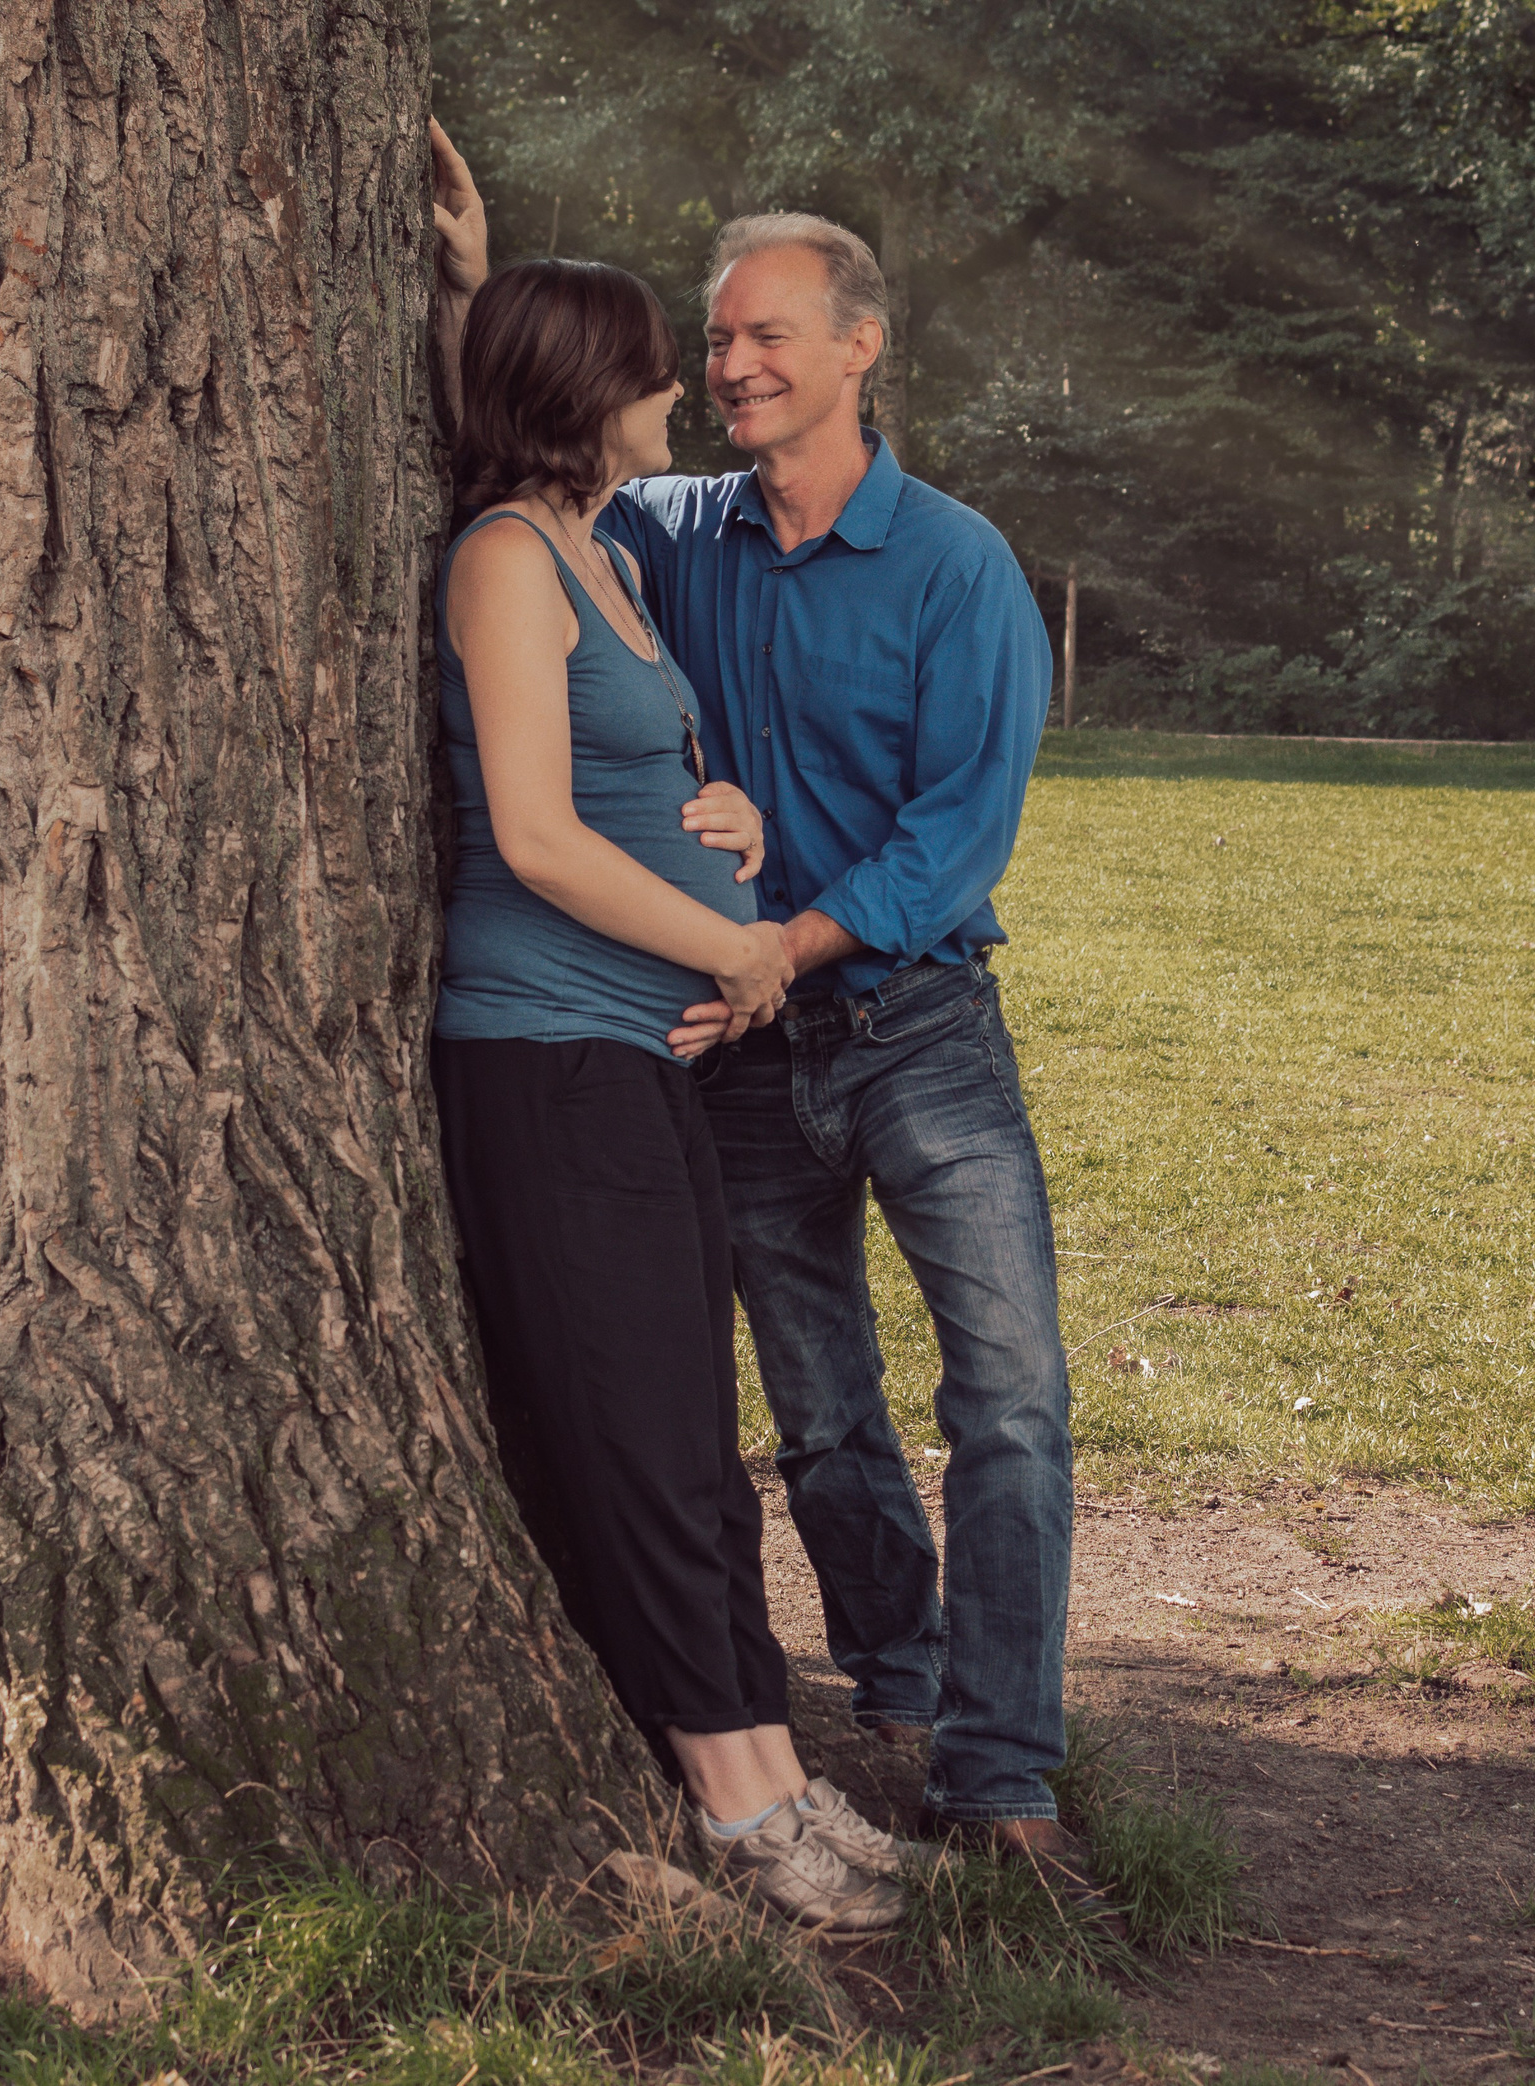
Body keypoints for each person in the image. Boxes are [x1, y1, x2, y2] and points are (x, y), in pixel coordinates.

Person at [432, 128, 1093, 1895]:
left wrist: (772, 936)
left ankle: (1006, 1770)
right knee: (812, 1415)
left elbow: (959, 832)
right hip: (722, 1058)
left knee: (1008, 1399)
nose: (723, 367)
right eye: (709, 342)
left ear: (861, 345)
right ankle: (893, 1696)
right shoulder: (656, 531)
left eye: (762, 337)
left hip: (909, 1028)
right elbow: (523, 431)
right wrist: (469, 288)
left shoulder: (956, 565)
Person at [431, 251, 914, 1930]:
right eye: (655, 360)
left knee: (705, 1451)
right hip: (546, 1059)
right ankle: (730, 1808)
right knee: (639, 1440)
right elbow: (540, 835)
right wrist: (749, 953)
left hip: (641, 1059)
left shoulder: (599, 549)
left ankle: (778, 1772)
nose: (684, 384)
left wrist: (730, 820)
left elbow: (645, 777)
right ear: (581, 387)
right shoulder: (505, 559)